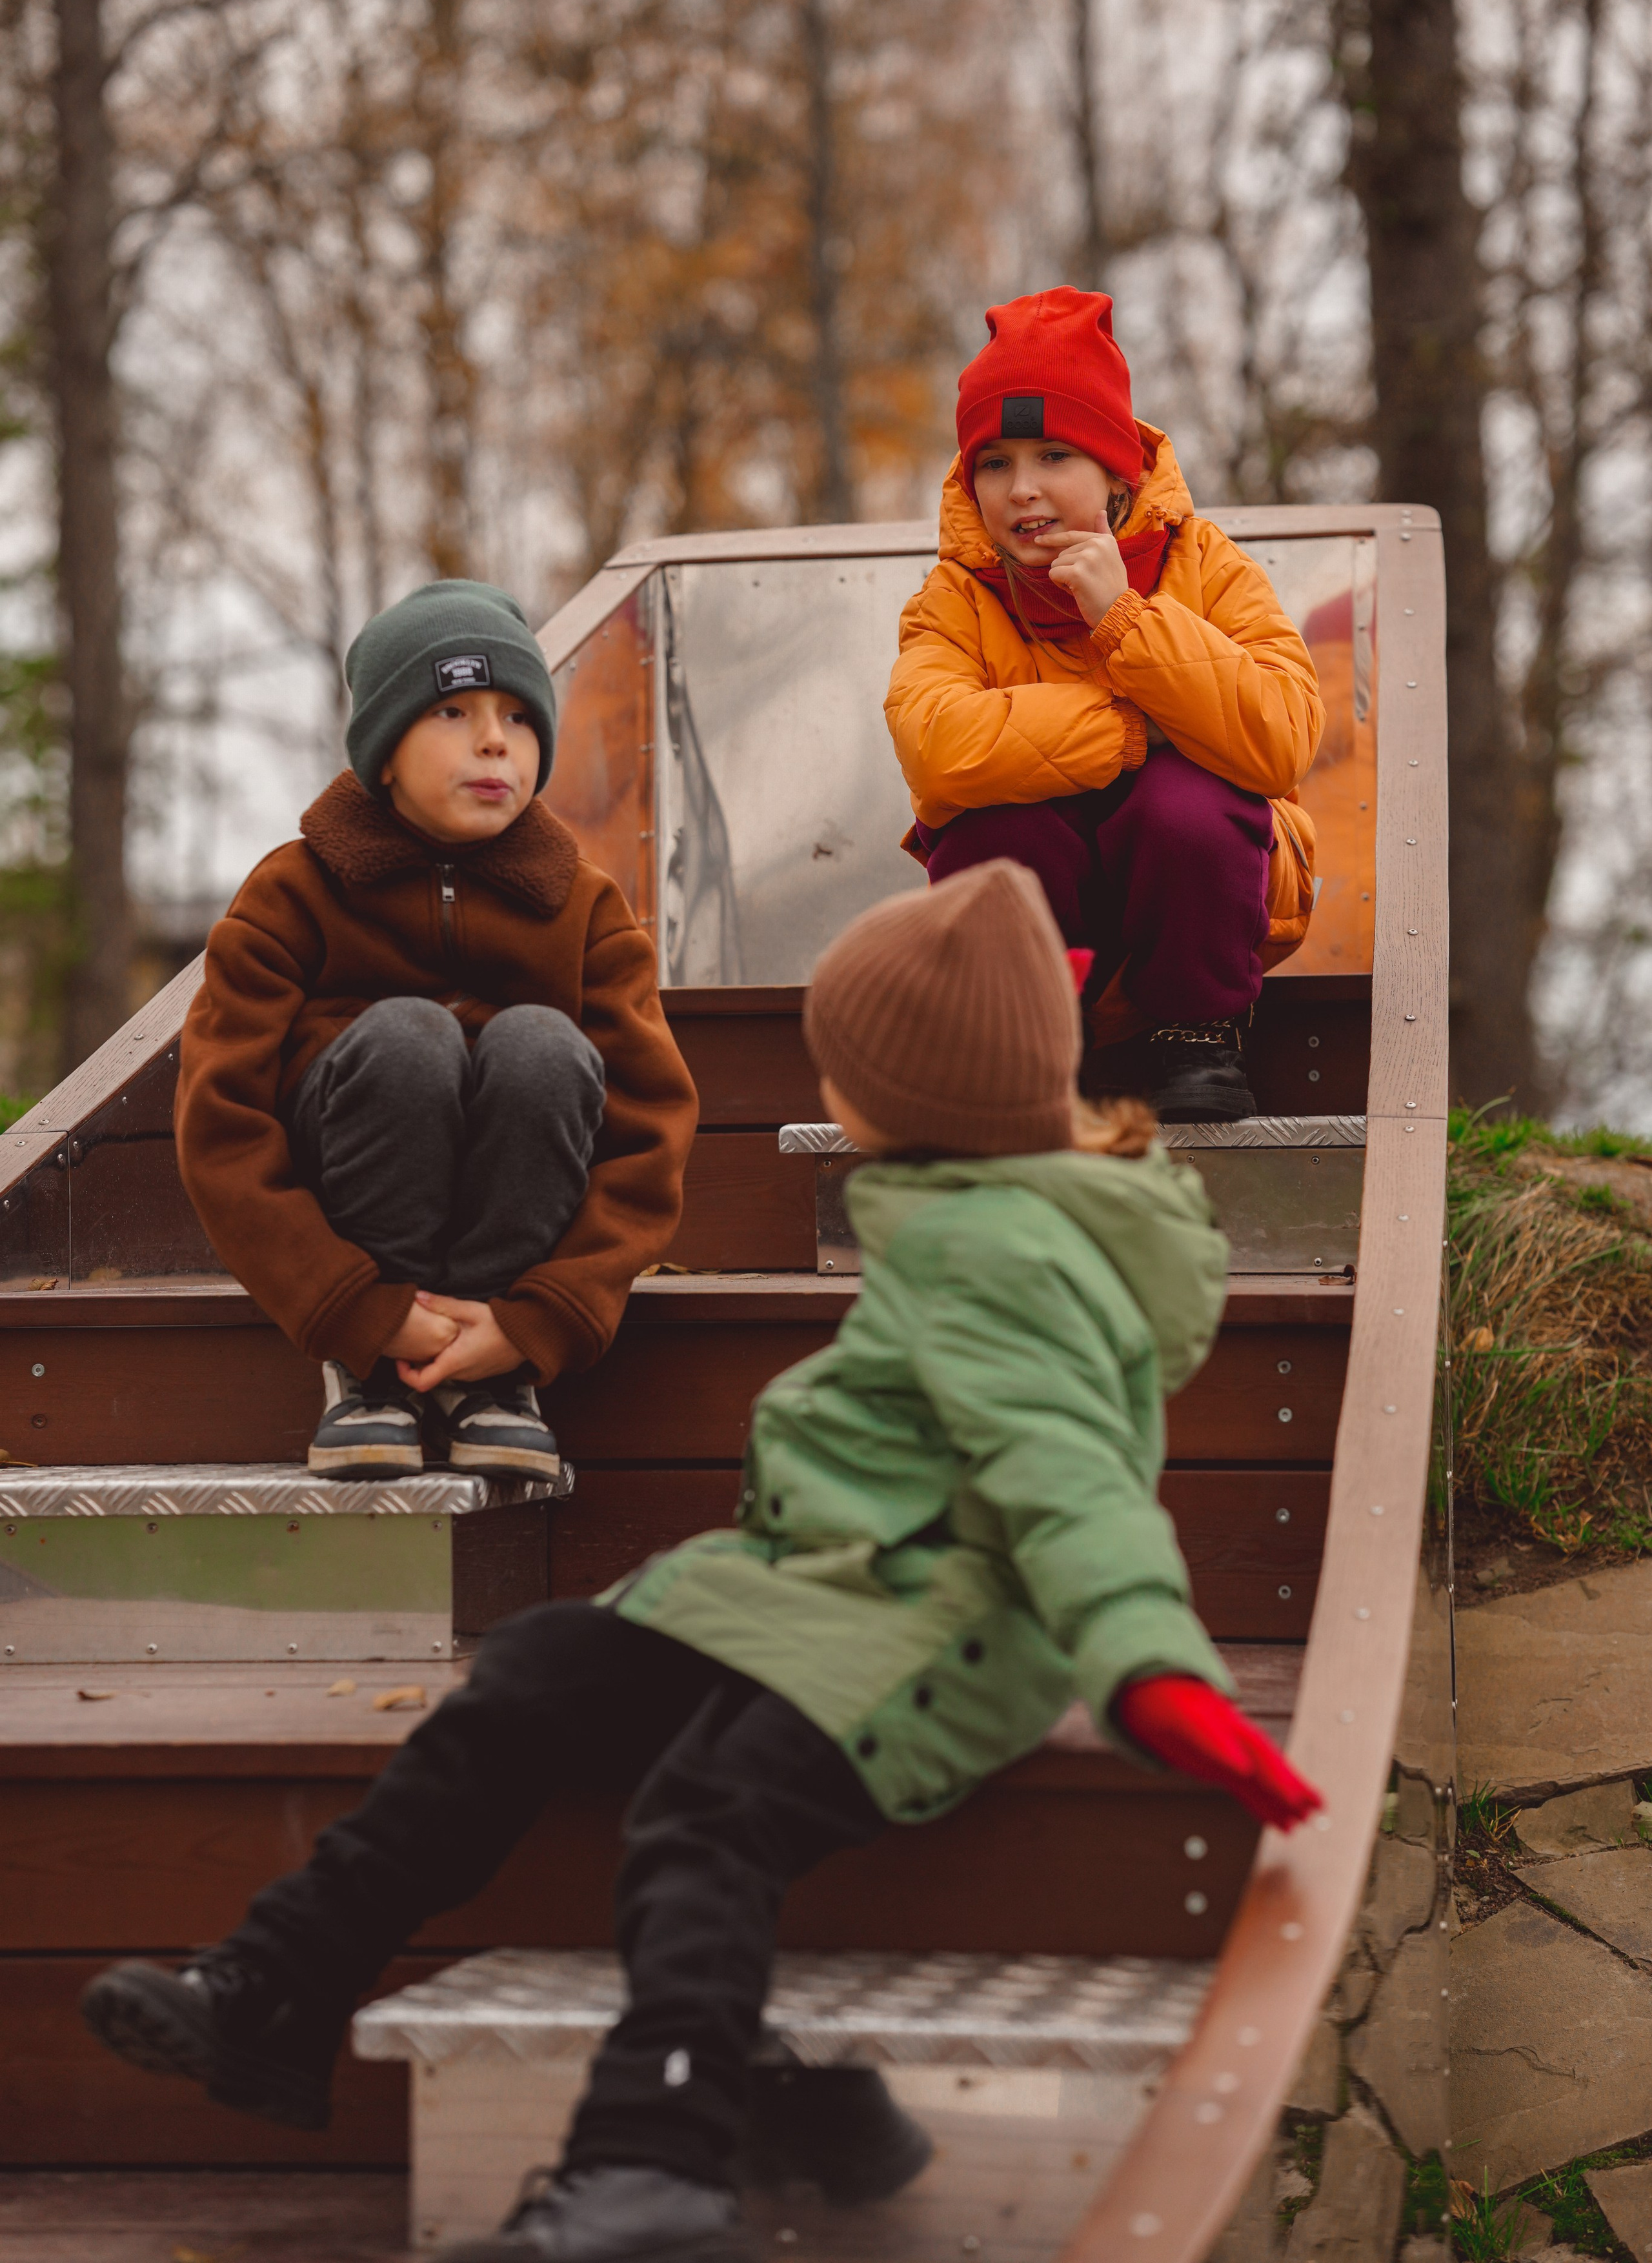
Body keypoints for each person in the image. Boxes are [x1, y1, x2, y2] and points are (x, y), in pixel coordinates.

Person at [84, 860, 1320, 2263]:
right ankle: (282, 1980)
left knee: (709, 1810)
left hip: (942, 1629)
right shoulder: (968, 1209)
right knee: (538, 1671)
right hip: (835, 1591)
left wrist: (1150, 1667)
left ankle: (650, 2163)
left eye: (844, 1065)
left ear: (911, 1095)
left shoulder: (1004, 1254)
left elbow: (1071, 1479)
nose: (827, 1089)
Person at [174, 578, 698, 1478]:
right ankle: (371, 1378)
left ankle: (490, 1383)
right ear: (384, 752)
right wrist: (356, 1307)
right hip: (354, 1245)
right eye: (453, 711)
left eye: (519, 718)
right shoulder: (294, 892)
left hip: (517, 1283)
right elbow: (221, 1121)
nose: (496, 740)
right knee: (409, 1038)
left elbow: (650, 1133)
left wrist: (538, 1319)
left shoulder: (584, 908)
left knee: (542, 1045)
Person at [885, 285, 1325, 1123]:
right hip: (1054, 925)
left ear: (1118, 469)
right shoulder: (955, 598)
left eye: (1055, 456)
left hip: (1205, 906)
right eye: (995, 464)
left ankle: (1198, 1033)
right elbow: (937, 750)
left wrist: (1124, 618)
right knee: (993, 824)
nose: (1022, 489)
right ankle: (1021, 1044)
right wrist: (1133, 728)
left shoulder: (1206, 565)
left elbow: (1282, 738)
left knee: (1185, 800)